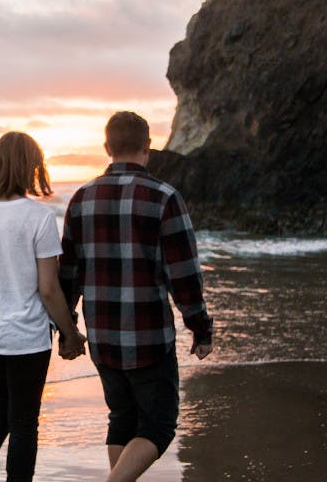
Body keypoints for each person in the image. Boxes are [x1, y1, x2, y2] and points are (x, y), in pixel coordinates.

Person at [58, 111, 213, 482]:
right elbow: (185, 275)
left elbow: (69, 274)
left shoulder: (81, 198)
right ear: (148, 146)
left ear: (107, 147)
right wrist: (200, 327)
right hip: (149, 337)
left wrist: (66, 329)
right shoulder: (164, 197)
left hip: (104, 337)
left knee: (122, 419)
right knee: (158, 427)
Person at [0, 131, 87, 482]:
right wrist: (70, 334)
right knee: (24, 421)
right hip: (25, 339)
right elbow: (49, 290)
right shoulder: (38, 217)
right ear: (31, 166)